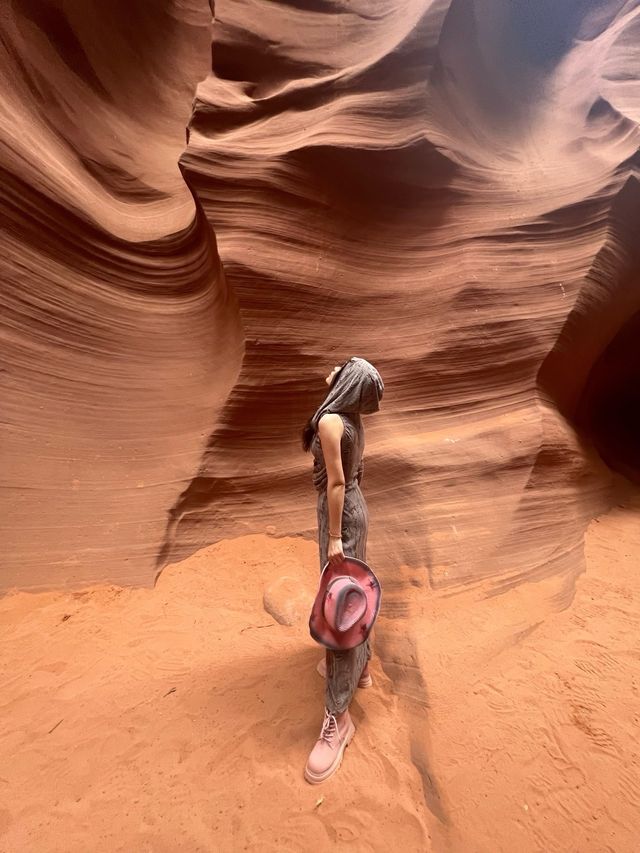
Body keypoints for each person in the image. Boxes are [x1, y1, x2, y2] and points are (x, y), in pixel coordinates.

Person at [301, 356, 384, 783]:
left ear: (348, 380)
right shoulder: (348, 417)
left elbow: (336, 483)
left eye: (342, 365)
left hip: (341, 517)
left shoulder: (331, 421)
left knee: (338, 610)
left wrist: (335, 536)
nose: (331, 367)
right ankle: (362, 667)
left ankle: (338, 716)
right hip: (355, 510)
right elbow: (353, 477)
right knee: (352, 595)